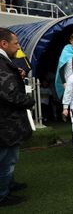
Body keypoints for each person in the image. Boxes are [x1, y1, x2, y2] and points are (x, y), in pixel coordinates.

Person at [0, 27, 34, 207]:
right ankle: (2, 194)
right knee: (6, 159)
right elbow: (9, 94)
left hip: (7, 122)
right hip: (5, 123)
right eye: (16, 43)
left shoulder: (6, 62)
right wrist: (29, 101)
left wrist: (17, 75)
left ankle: (8, 184)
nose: (18, 47)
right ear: (3, 44)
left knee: (9, 158)